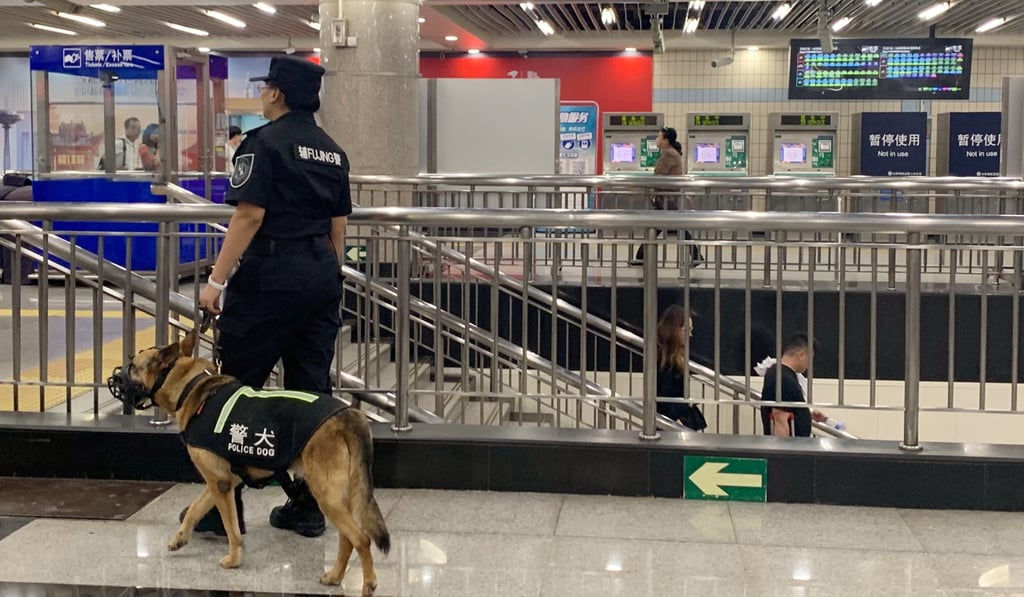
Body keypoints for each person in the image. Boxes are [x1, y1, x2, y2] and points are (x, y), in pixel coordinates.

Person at [192, 56, 352, 538]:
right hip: (320, 275)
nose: (262, 94)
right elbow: (337, 228)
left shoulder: (261, 145)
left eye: (265, 88)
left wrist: (215, 283)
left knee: (232, 391)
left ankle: (226, 515)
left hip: (269, 278)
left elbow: (248, 217)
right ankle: (309, 506)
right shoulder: (332, 151)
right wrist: (328, 276)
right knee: (310, 392)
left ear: (276, 94)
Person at [631, 127, 703, 266]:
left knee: (660, 226)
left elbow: (658, 177)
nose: (657, 139)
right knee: (669, 227)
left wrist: (641, 186)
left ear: (666, 140)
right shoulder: (670, 153)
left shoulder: (668, 155)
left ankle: (640, 257)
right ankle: (640, 257)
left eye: (659, 137)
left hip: (667, 198)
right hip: (669, 198)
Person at [757, 333, 827, 437]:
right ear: (801, 355)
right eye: (810, 359)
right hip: (792, 447)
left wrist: (806, 413)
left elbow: (787, 408)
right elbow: (780, 418)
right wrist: (786, 451)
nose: (809, 365)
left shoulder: (782, 374)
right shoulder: (783, 378)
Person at [655, 305, 707, 431]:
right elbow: (664, 395)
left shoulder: (670, 356)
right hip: (674, 419)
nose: (690, 335)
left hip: (676, 417)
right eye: (687, 329)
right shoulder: (666, 359)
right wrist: (675, 421)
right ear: (675, 330)